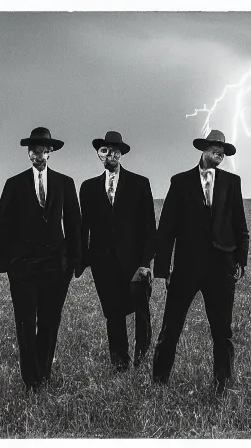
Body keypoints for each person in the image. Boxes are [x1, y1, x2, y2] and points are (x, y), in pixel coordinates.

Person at [152, 129, 248, 395]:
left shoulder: (232, 182)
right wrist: (163, 269)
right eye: (215, 147)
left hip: (221, 266)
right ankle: (159, 381)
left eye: (223, 150)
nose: (220, 152)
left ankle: (223, 384)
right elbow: (167, 227)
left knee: (222, 330)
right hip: (186, 266)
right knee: (171, 327)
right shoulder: (180, 182)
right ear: (203, 149)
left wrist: (241, 259)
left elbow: (240, 223)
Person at [0, 126, 81, 391]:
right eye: (33, 150)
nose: (37, 155)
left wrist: (74, 263)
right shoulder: (14, 183)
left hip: (56, 268)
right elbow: (3, 226)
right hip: (24, 269)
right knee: (25, 324)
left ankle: (44, 375)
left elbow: (75, 224)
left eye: (42, 150)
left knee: (49, 323)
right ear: (28, 153)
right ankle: (29, 378)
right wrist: (10, 263)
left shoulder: (65, 183)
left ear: (50, 151)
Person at [77, 131, 156, 371]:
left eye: (115, 151)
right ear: (99, 154)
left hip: (135, 263)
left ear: (121, 154)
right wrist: (82, 261)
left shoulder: (139, 183)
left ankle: (141, 359)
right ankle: (119, 363)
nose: (110, 155)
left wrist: (145, 263)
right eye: (105, 150)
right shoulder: (88, 187)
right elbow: (84, 228)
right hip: (103, 263)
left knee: (141, 311)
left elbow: (149, 227)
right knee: (113, 313)